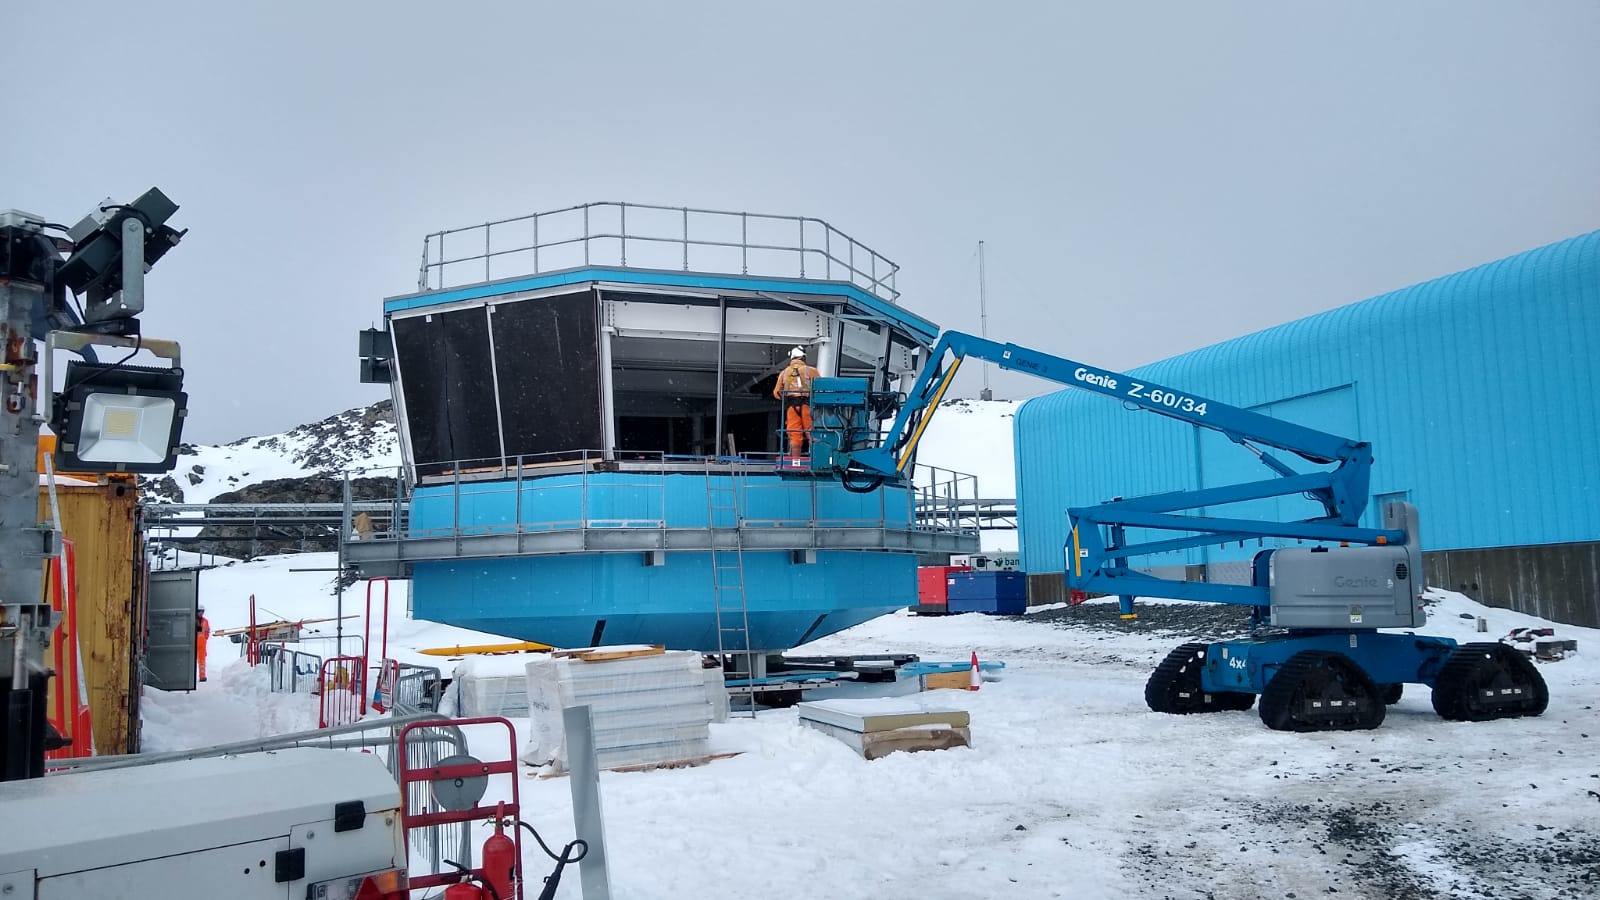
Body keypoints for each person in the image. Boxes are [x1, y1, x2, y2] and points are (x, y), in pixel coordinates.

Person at [772, 346, 820, 457]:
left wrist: (788, 395)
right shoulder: (811, 371)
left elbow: (776, 393)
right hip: (808, 406)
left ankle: (795, 462)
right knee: (812, 433)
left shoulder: (784, 373)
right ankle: (816, 460)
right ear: (803, 357)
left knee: (794, 436)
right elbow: (822, 387)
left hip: (791, 407)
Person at [196, 605, 210, 683]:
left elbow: (207, 630)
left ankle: (202, 676)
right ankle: (189, 678)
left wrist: (205, 638)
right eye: (199, 611)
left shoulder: (205, 621)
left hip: (202, 645)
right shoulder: (193, 620)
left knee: (202, 662)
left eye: (202, 611)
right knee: (190, 661)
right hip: (193, 644)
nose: (201, 613)